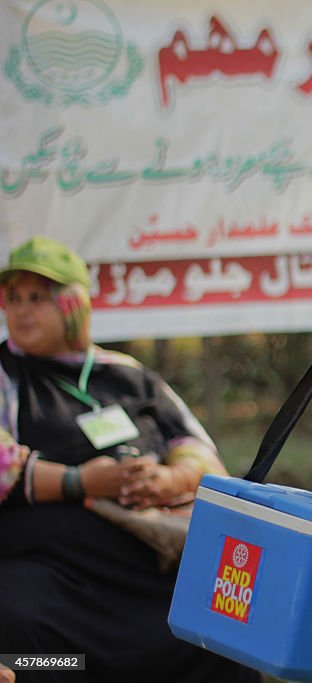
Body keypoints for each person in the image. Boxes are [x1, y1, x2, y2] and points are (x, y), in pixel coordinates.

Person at [0, 237, 260, 683]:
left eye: (39, 298)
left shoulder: (127, 374)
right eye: (13, 298)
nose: (22, 311)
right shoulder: (6, 373)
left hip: (150, 566)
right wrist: (78, 481)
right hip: (54, 581)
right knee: (25, 632)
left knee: (219, 626)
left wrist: (168, 477)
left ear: (76, 303)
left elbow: (198, 448)